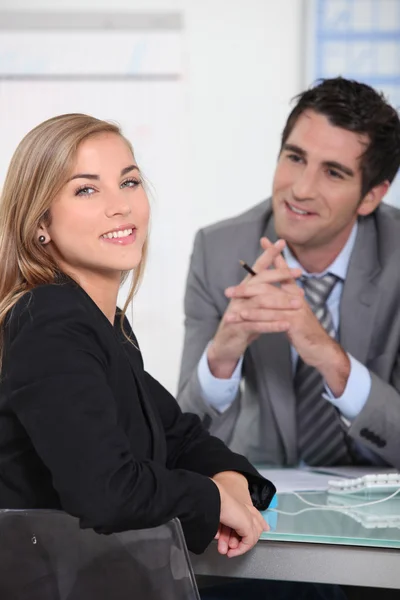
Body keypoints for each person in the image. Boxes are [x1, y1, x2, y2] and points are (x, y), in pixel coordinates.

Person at [0, 113, 276, 564]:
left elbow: (175, 433)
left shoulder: (103, 323)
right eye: (86, 189)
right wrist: (213, 498)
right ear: (39, 224)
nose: (121, 206)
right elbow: (106, 490)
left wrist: (229, 477)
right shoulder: (50, 321)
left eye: (128, 182)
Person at [177, 77, 400, 468]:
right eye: (295, 158)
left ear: (372, 196)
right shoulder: (219, 252)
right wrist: (222, 356)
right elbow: (180, 441)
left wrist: (332, 361)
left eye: (333, 173)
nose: (300, 189)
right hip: (268, 496)